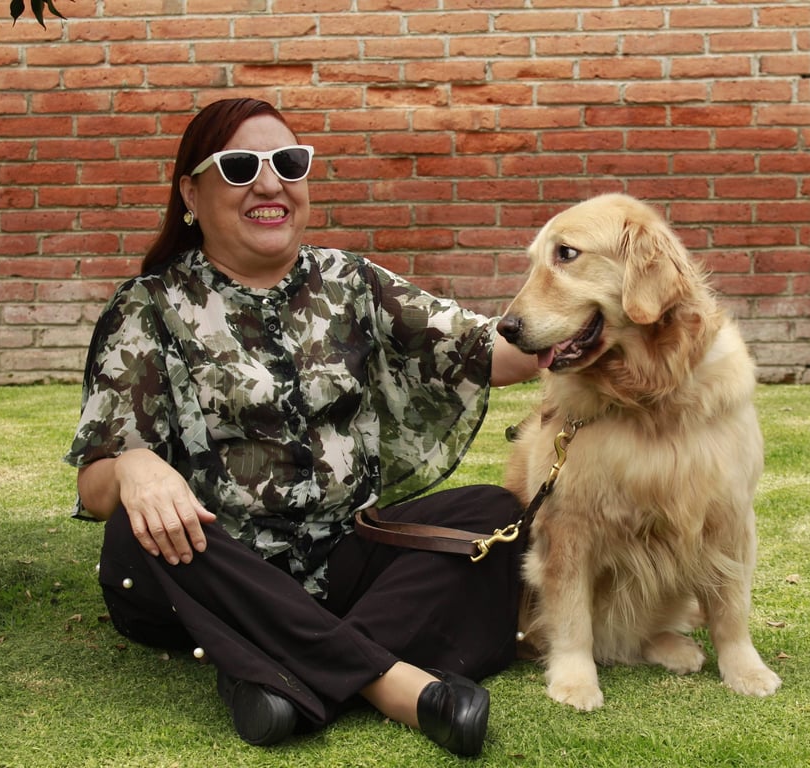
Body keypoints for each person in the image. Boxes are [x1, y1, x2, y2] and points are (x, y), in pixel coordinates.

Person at [64, 97, 539, 757]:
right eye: (238, 167)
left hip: (341, 557)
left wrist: (580, 317)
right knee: (144, 528)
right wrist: (137, 465)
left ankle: (281, 677)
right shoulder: (149, 308)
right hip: (212, 569)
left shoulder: (351, 282)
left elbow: (495, 352)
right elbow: (95, 485)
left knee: (496, 513)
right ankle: (399, 687)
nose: (269, 183)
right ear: (190, 194)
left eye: (288, 163)